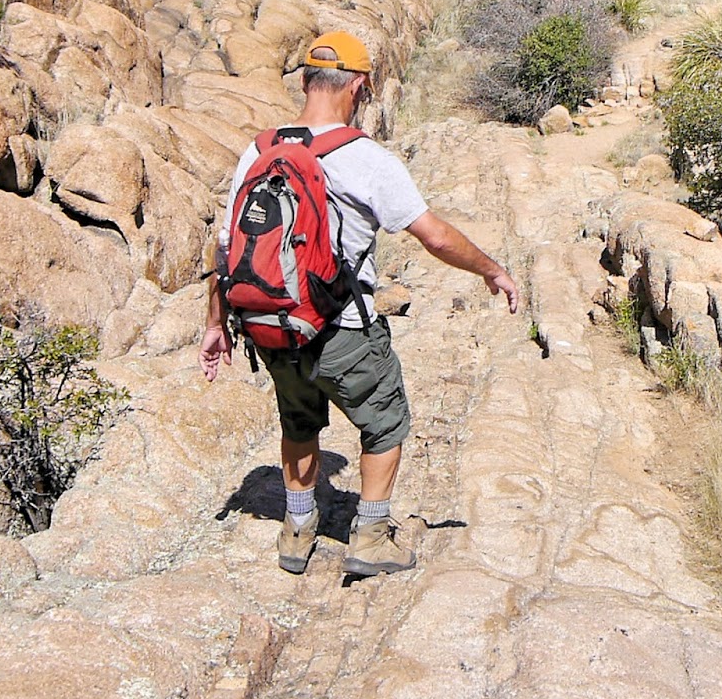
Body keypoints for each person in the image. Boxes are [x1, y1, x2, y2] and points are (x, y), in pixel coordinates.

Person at [199, 31, 519, 577]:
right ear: (361, 87)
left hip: (271, 324)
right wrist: (493, 270)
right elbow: (434, 237)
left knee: (299, 422)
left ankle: (297, 532)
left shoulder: (259, 150)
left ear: (304, 80)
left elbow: (226, 246)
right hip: (342, 327)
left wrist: (216, 324)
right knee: (385, 422)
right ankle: (370, 535)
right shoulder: (365, 157)